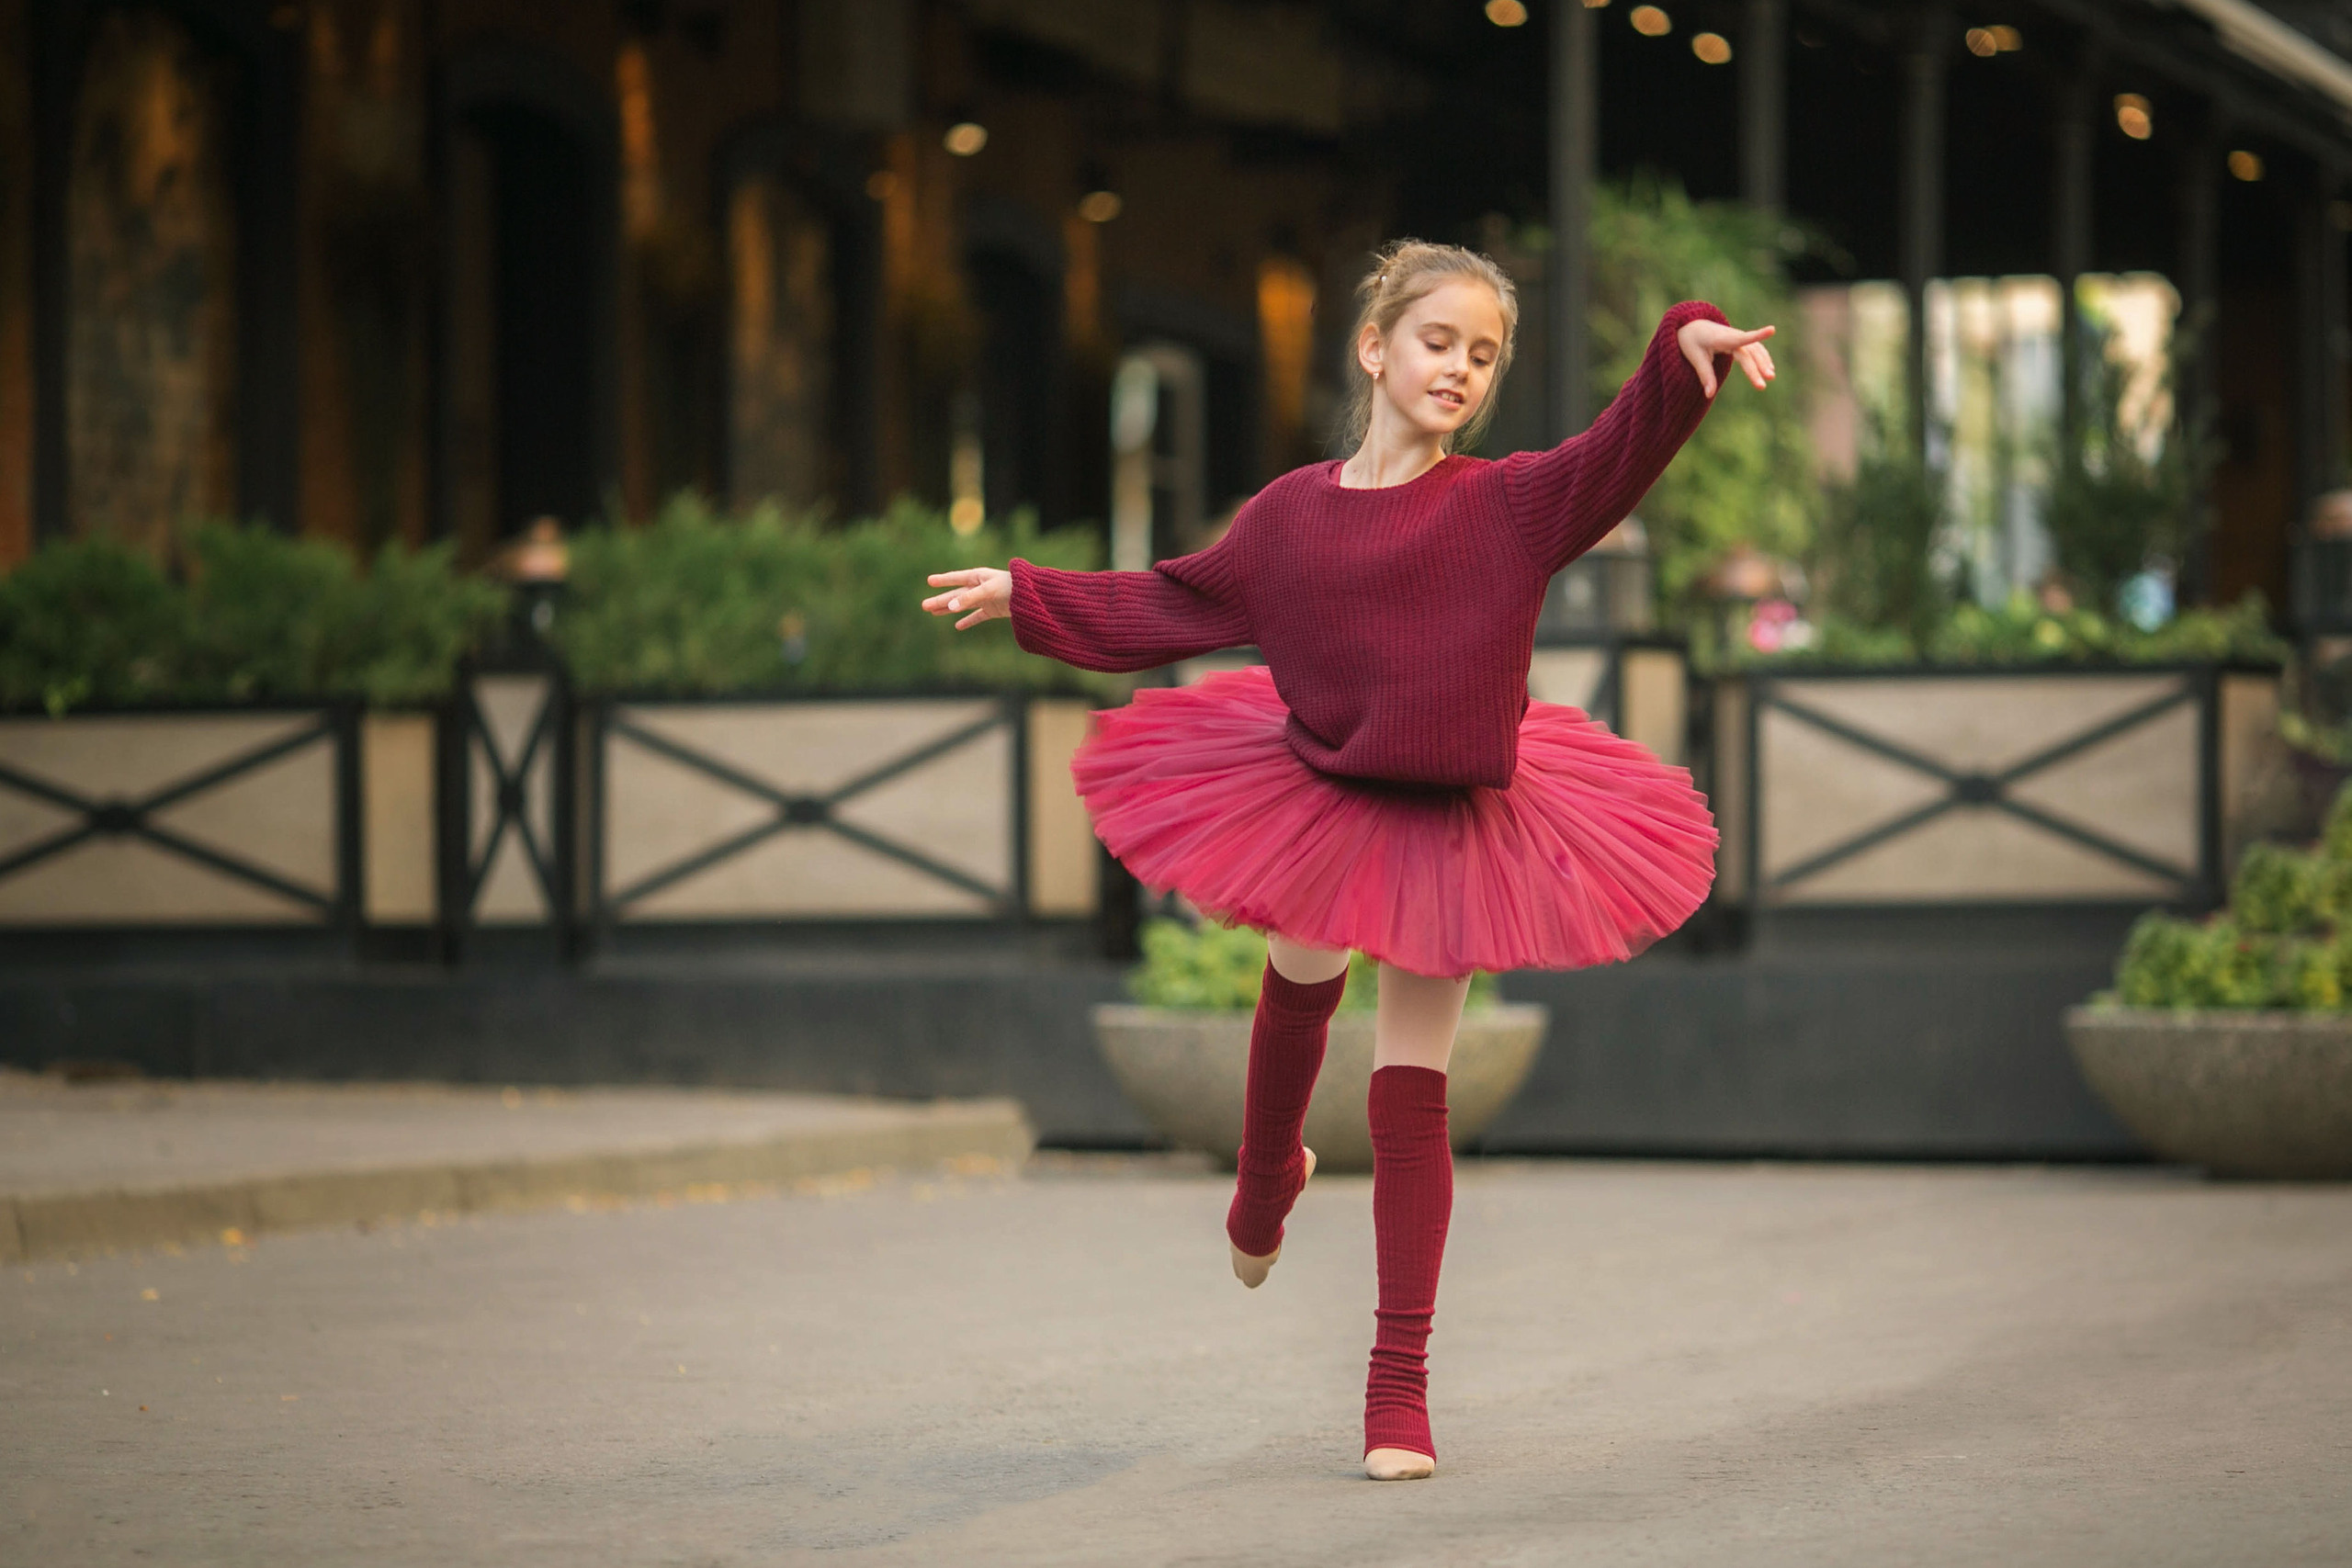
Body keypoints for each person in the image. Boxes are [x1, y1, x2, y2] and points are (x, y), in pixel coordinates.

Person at [923, 241, 1776, 1481]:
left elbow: (1616, 456)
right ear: (1374, 349)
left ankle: (1398, 1391)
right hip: (1325, 782)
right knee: (1303, 966)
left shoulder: (1509, 504)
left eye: (1485, 356)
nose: (1462, 372)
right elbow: (1172, 603)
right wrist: (1027, 593)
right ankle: (1267, 1171)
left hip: (1458, 812)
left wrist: (1685, 343)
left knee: (1413, 1088)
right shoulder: (1287, 520)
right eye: (1439, 343)